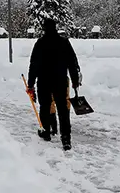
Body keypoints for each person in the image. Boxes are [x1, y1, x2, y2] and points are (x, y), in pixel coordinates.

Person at [26, 18, 81, 151]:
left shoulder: (40, 43)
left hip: (44, 81)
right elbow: (72, 62)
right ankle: (66, 139)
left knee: (45, 106)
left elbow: (33, 65)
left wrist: (31, 84)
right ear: (55, 27)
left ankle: (45, 132)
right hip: (60, 81)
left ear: (44, 28)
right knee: (63, 110)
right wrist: (75, 80)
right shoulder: (64, 42)